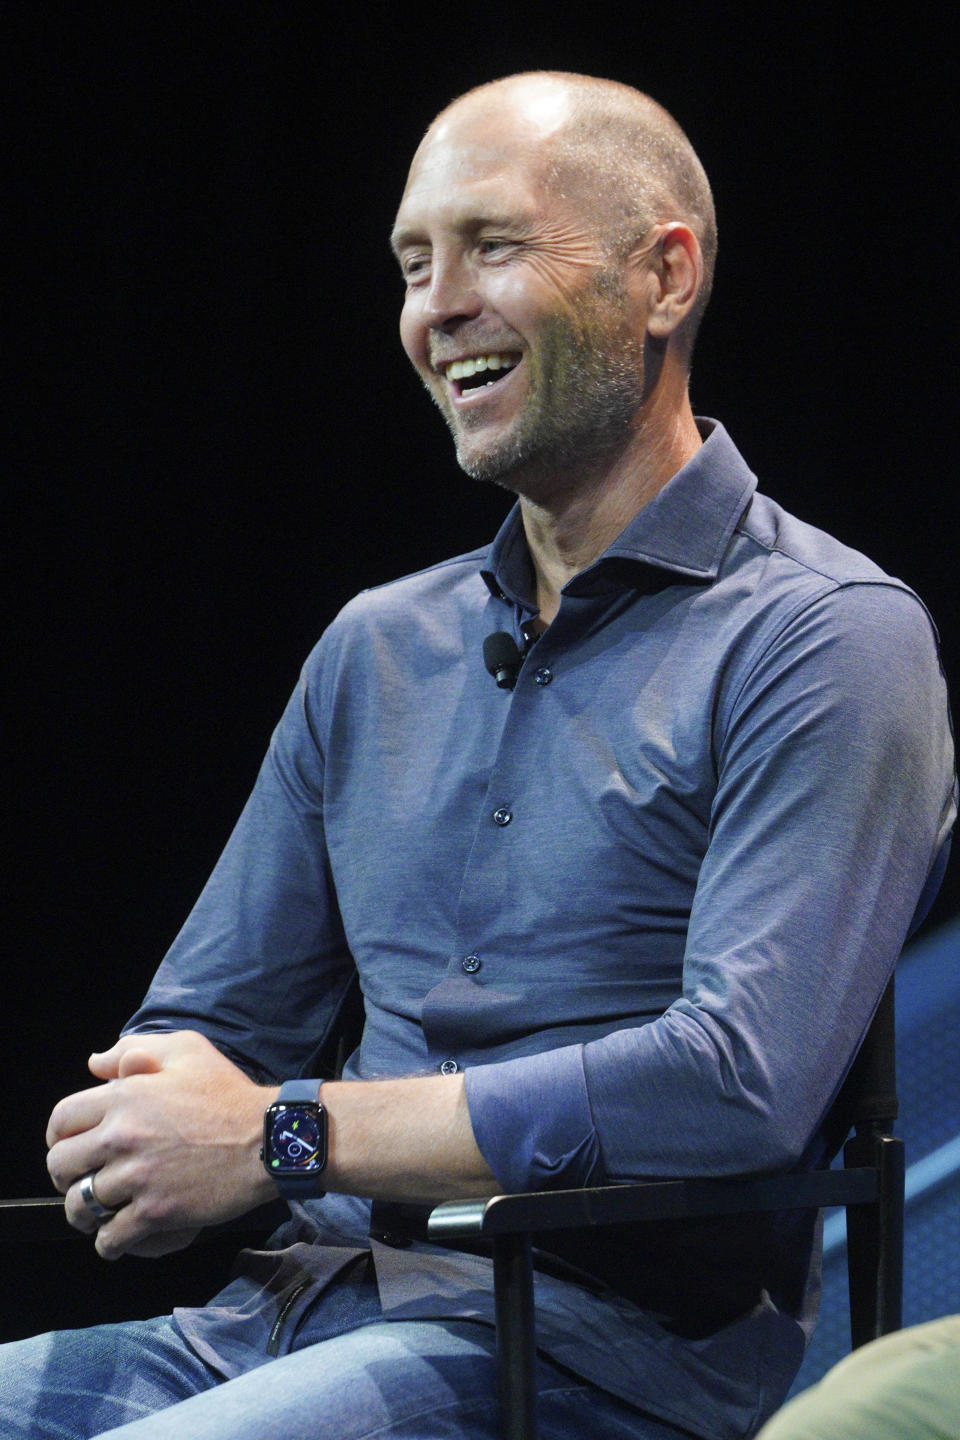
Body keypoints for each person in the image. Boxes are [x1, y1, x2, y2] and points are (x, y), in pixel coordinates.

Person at [1, 71, 954, 1440]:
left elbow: (732, 1088)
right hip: (280, 1316)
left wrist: (284, 1135)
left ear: (662, 278)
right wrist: (140, 1134)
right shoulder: (377, 647)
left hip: (579, 1362)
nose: (435, 306)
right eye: (410, 264)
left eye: (491, 247)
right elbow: (207, 1030)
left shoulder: (826, 640)